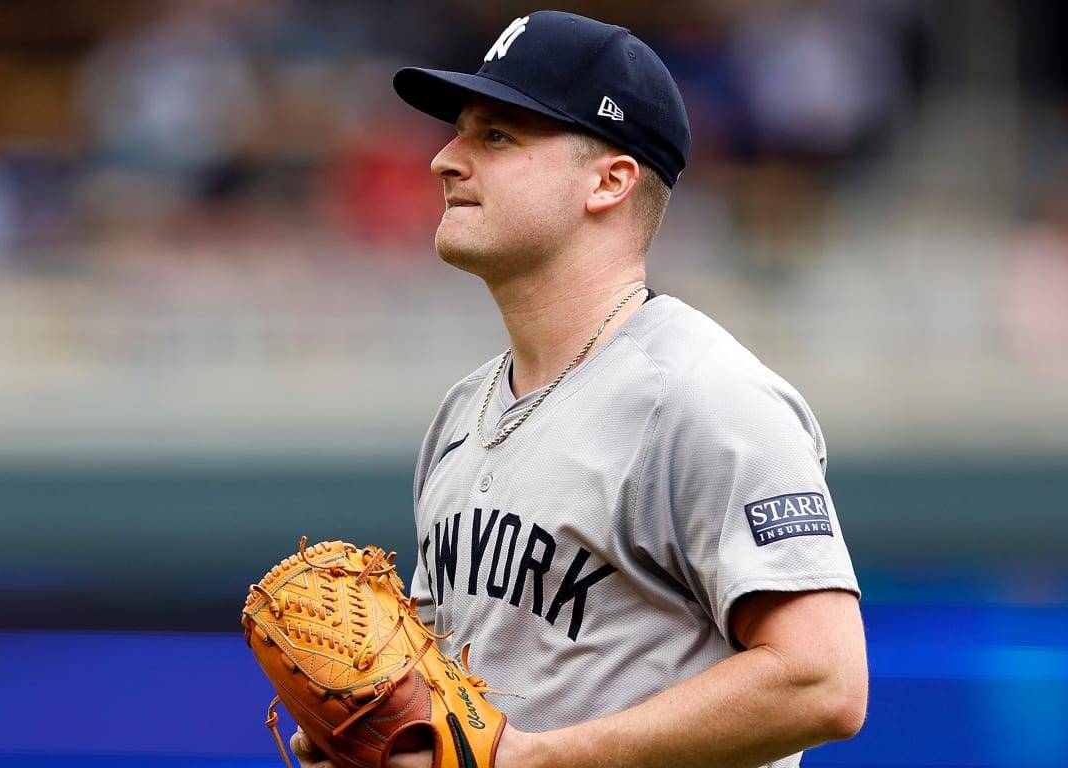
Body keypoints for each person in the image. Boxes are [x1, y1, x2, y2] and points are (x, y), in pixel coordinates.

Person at [292, 11, 867, 768]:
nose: (443, 160)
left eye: (498, 136)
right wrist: (389, 740)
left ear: (609, 181)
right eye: (459, 132)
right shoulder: (463, 410)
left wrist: (534, 759)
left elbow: (824, 682)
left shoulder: (703, 396)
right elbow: (464, 721)